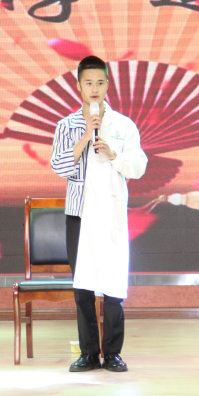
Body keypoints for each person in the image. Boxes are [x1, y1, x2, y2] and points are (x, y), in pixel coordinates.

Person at [50, 55, 148, 373]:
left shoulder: (123, 125)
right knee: (82, 287)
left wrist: (113, 154)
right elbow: (59, 166)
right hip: (79, 214)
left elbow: (138, 166)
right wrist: (84, 137)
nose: (94, 89)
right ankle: (89, 353)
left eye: (100, 82)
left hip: (111, 214)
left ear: (108, 85)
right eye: (88, 82)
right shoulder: (66, 126)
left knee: (113, 285)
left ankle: (113, 353)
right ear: (79, 86)